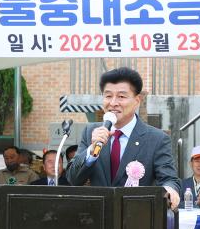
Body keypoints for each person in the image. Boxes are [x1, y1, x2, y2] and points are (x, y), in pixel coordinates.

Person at [65, 67, 181, 208]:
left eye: (121, 96)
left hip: (136, 219)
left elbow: (169, 179)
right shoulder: (91, 131)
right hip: (96, 218)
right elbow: (73, 179)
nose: (113, 103)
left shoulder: (157, 139)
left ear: (137, 100)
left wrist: (170, 191)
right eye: (108, 96)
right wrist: (91, 151)